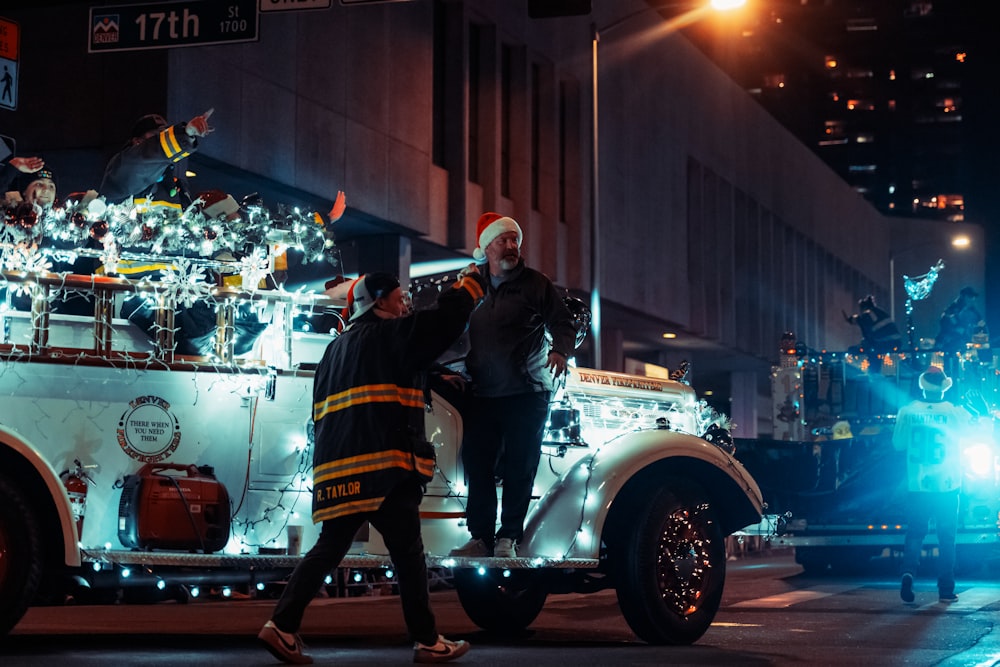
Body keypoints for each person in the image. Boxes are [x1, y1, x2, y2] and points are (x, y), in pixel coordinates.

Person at [258, 269, 485, 665]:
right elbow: (443, 324)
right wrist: (468, 286)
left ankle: (281, 625)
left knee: (330, 547)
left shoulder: (336, 349)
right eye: (399, 299)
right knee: (409, 554)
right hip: (385, 466)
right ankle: (428, 641)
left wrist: (432, 373)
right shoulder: (390, 335)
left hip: (340, 470)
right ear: (378, 302)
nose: (406, 305)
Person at [449, 212, 577, 559]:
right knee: (478, 464)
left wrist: (561, 350)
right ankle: (481, 538)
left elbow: (563, 322)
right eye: (503, 240)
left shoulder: (536, 284)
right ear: (486, 248)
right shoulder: (471, 287)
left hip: (527, 393)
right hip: (484, 394)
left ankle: (509, 537)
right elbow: (447, 328)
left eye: (514, 240)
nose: (511, 246)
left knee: (520, 466)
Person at [892, 366, 971, 604]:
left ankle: (908, 572)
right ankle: (946, 589)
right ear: (943, 388)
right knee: (947, 538)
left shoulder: (907, 411)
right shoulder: (954, 413)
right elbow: (968, 439)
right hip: (947, 486)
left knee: (915, 533)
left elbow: (898, 445)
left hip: (917, 485)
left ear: (922, 387)